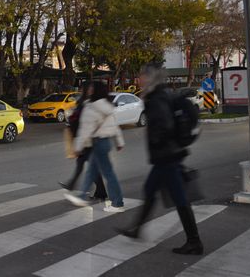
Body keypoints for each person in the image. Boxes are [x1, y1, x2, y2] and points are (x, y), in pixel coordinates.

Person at [119, 63, 203, 255]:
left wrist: (154, 138)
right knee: (149, 190)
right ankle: (137, 229)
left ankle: (194, 241)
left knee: (180, 199)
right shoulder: (162, 94)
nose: (138, 79)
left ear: (150, 78)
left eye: (141, 76)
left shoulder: (156, 98)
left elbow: (164, 126)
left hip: (167, 157)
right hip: (166, 156)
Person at [64, 81, 126, 213]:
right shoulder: (106, 106)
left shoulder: (91, 108)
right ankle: (84, 197)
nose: (89, 90)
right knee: (93, 171)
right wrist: (119, 142)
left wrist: (77, 147)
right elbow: (115, 126)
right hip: (106, 142)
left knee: (106, 173)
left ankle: (116, 203)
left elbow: (85, 131)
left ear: (96, 90)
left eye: (92, 88)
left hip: (97, 142)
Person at [59, 83, 108, 201]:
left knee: (84, 165)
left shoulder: (90, 103)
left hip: (89, 140)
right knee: (84, 165)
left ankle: (73, 185)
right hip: (87, 139)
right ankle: (100, 192)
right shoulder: (85, 102)